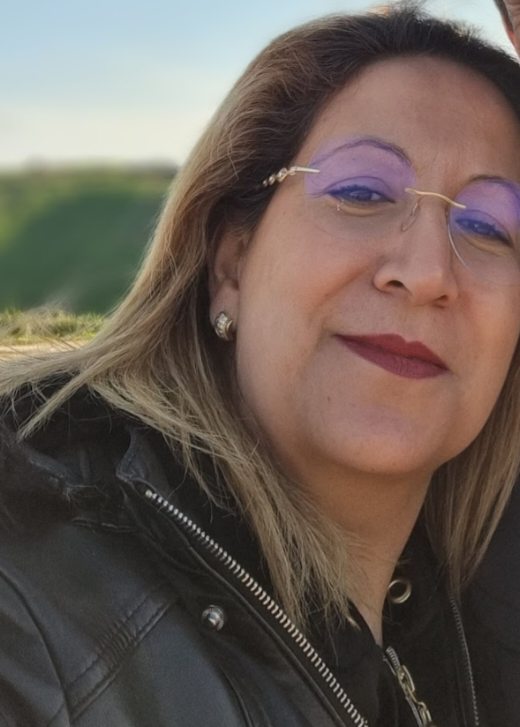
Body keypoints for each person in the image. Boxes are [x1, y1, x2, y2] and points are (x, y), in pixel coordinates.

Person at [1, 2, 520, 725]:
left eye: (491, 226)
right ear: (232, 263)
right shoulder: (34, 598)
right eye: (362, 191)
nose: (428, 271)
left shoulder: (467, 607)